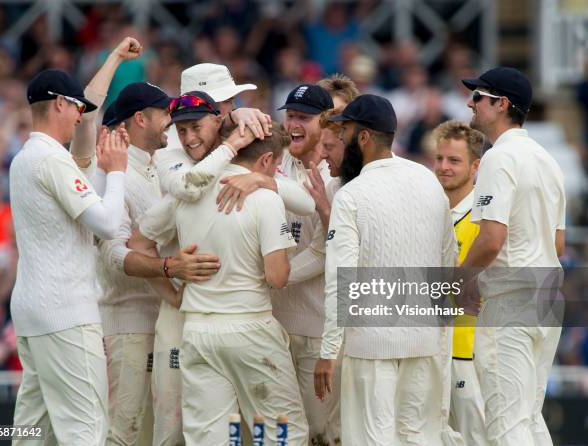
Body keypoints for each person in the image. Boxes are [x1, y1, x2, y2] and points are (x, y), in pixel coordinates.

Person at [144, 64, 315, 446]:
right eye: (226, 102)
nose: (231, 108)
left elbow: (141, 236)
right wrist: (168, 270)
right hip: (247, 326)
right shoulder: (181, 164)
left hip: (197, 327)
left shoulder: (197, 190)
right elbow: (278, 276)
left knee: (209, 437)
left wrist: (260, 174)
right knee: (281, 431)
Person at [314, 94, 458, 444]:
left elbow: (340, 281)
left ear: (363, 137)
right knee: (417, 439)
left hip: (371, 345)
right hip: (423, 341)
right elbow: (448, 265)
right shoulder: (427, 179)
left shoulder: (352, 194)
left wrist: (328, 352)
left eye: (345, 131)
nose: (341, 139)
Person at [9, 69, 128, 445]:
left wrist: (113, 59)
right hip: (66, 315)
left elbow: (84, 204)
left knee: (31, 431)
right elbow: (107, 223)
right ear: (60, 102)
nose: (81, 117)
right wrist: (118, 172)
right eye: (78, 107)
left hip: (33, 315)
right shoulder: (51, 159)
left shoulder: (24, 158)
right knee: (86, 430)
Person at [97, 82, 216, 446]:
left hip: (161, 321)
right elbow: (114, 255)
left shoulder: (158, 166)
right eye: (164, 114)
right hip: (127, 323)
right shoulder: (111, 174)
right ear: (139, 119)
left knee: (153, 434)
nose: (171, 122)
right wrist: (169, 268)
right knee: (123, 433)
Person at [460, 67, 566, 446]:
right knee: (528, 420)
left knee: (507, 426)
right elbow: (557, 245)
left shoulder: (498, 158)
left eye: (477, 97)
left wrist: (459, 281)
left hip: (511, 302)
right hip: (546, 299)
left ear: (501, 104)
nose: (469, 103)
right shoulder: (548, 160)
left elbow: (491, 239)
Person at [270, 83, 343, 444]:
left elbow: (325, 250)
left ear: (324, 122)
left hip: (315, 327)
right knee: (278, 431)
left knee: (321, 431)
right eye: (290, 115)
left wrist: (272, 279)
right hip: (271, 324)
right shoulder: (271, 161)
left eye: (304, 118)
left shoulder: (335, 176)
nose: (294, 124)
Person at [433, 120, 489, 445]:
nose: (443, 167)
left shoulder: (485, 219)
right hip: (432, 350)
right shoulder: (431, 210)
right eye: (439, 159)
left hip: (469, 352)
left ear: (475, 165)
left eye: (454, 160)